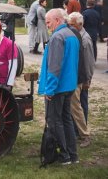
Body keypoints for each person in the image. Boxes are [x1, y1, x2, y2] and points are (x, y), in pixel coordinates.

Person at [38, 9, 80, 165]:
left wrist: (49, 89)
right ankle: (73, 154)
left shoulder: (57, 37)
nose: (47, 26)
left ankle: (64, 155)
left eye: (48, 22)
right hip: (69, 85)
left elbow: (55, 67)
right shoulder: (72, 35)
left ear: (57, 20)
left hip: (58, 87)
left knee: (55, 121)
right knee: (66, 120)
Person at [68, 12, 95, 148]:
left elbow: (89, 62)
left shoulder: (85, 39)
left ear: (80, 24)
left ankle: (84, 134)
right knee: (79, 105)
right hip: (79, 77)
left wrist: (87, 80)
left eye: (72, 24)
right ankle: (79, 132)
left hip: (83, 78)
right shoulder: (77, 36)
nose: (70, 26)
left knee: (80, 106)